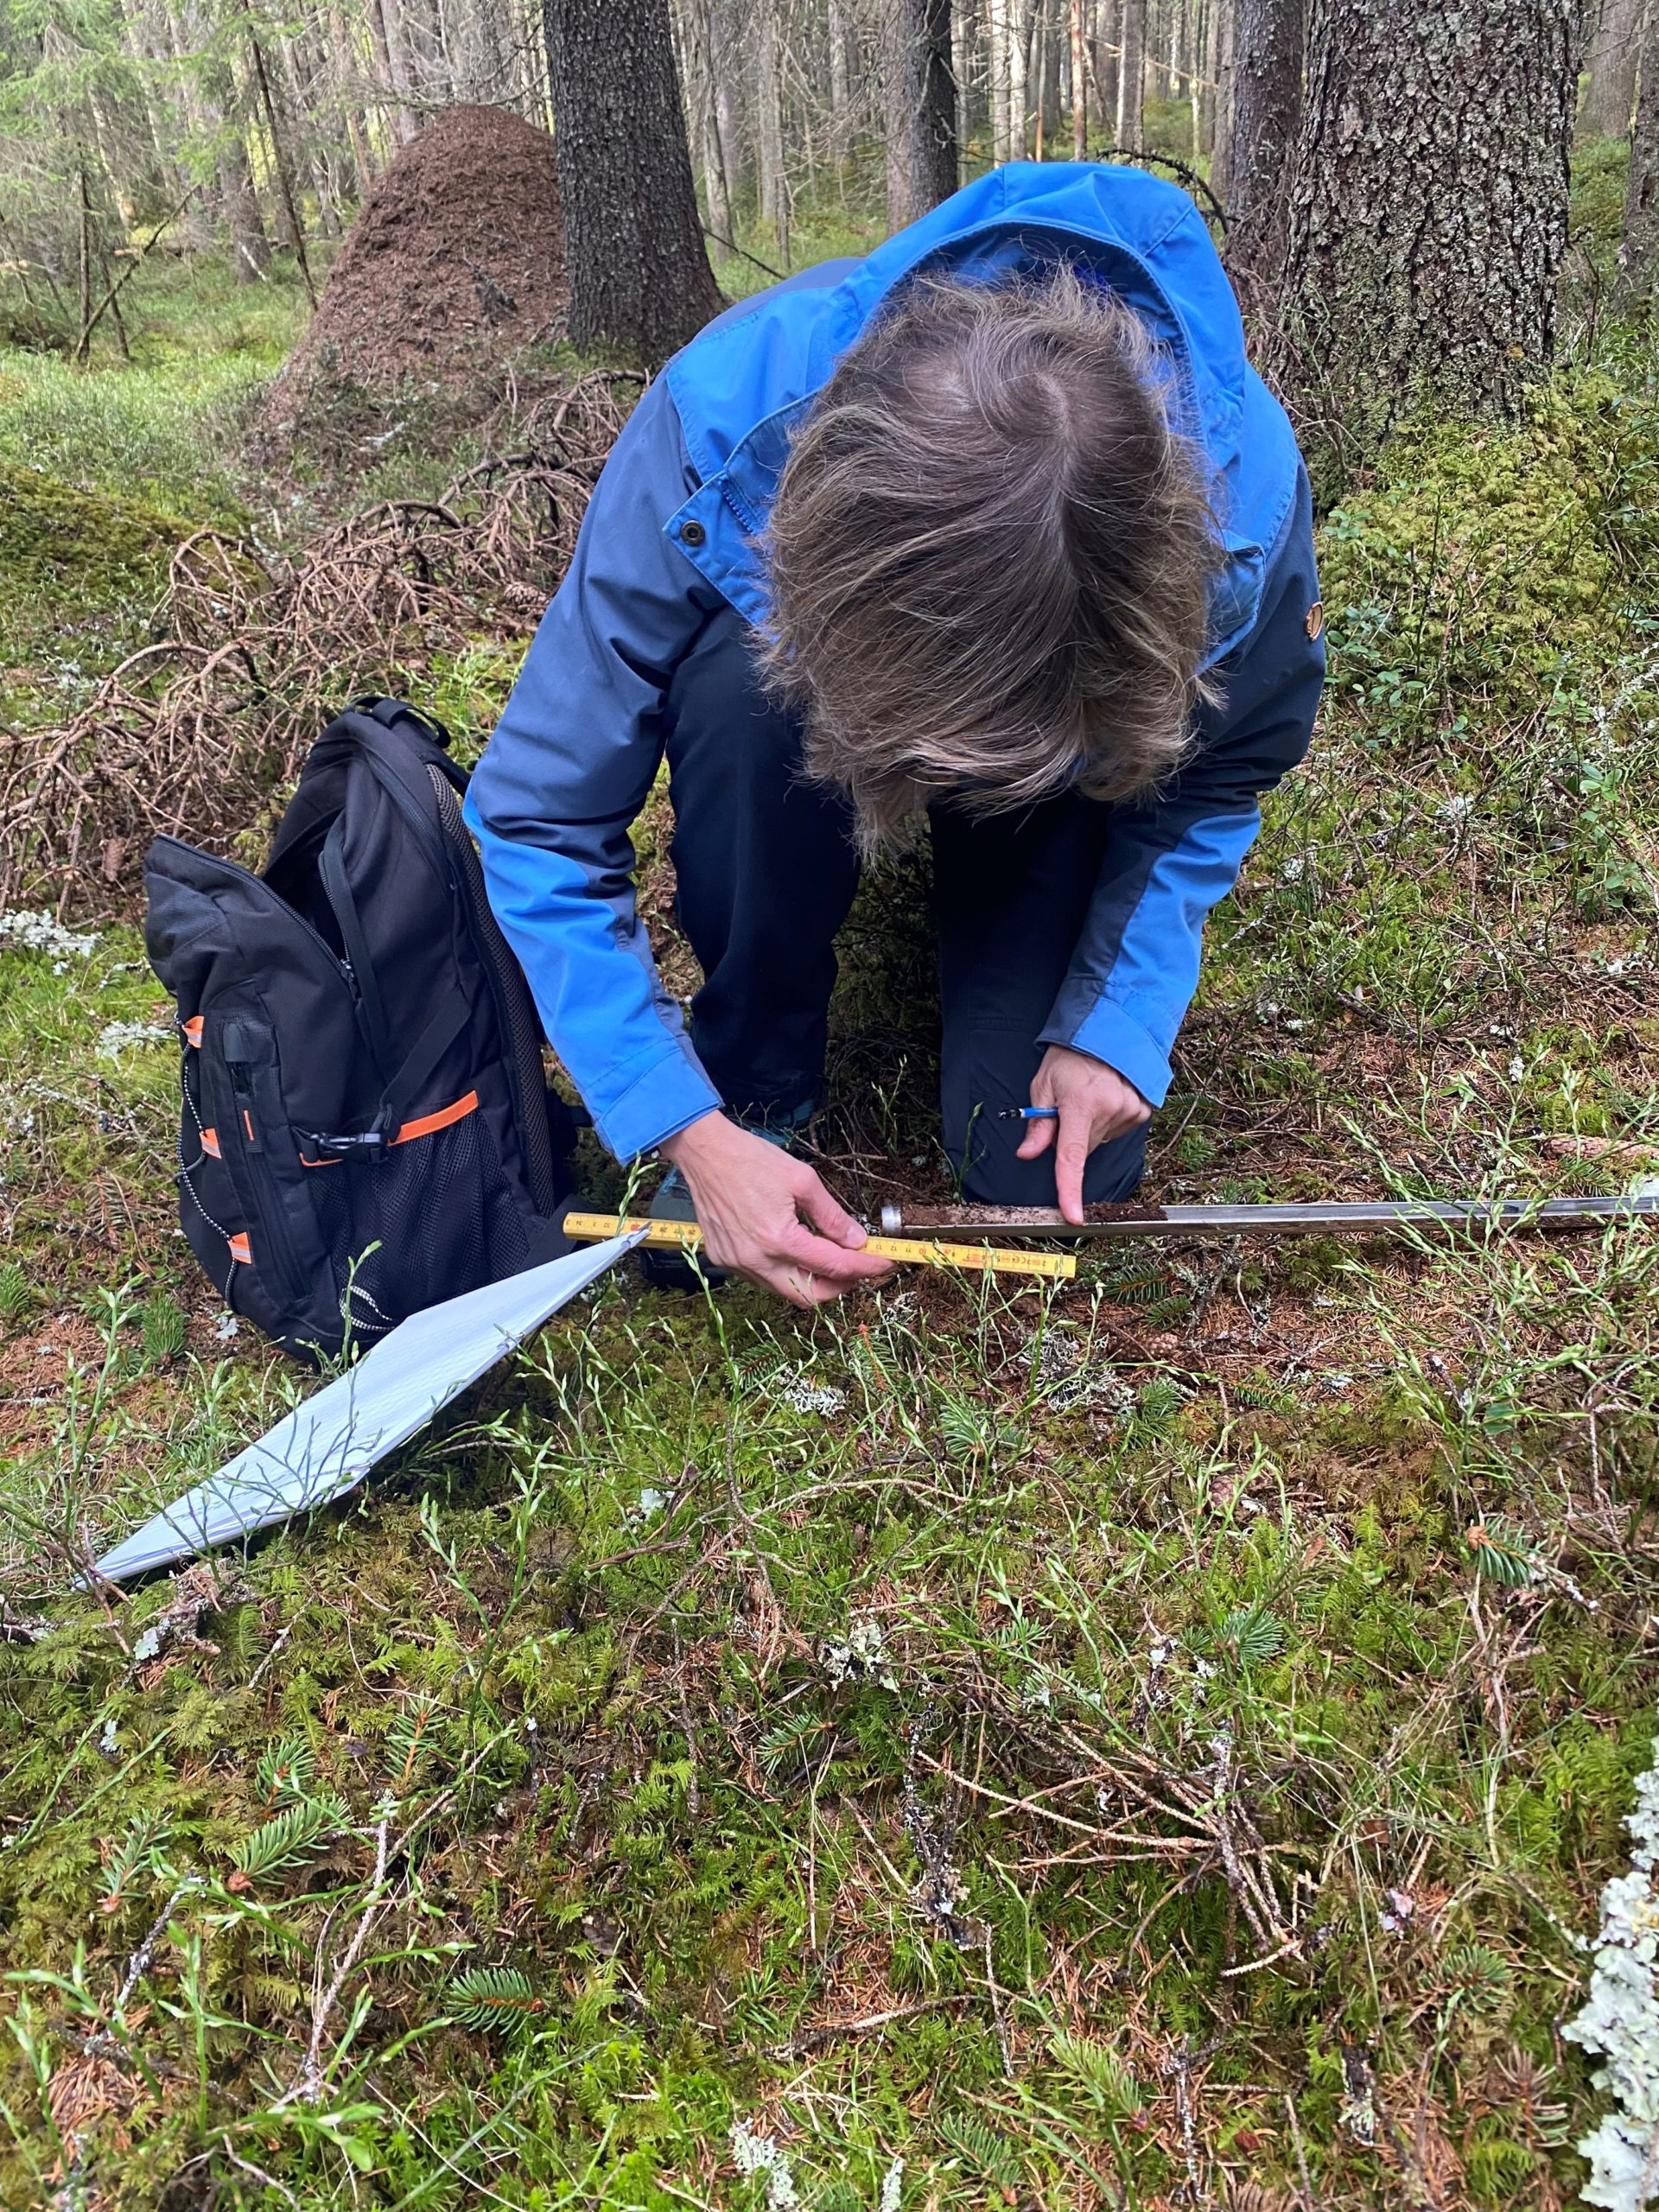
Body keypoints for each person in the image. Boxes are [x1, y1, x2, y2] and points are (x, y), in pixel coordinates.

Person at [466, 162, 1325, 1309]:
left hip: (1059, 779)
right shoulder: (720, 411)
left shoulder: (1244, 506)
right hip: (793, 712)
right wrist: (684, 1127)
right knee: (737, 681)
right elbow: (536, 812)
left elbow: (1224, 772)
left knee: (1041, 1180)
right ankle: (757, 1072)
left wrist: (1122, 1021)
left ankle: (1019, 867)